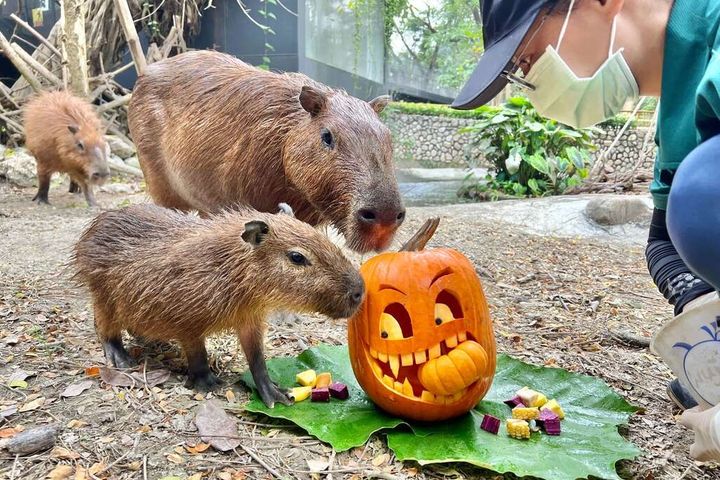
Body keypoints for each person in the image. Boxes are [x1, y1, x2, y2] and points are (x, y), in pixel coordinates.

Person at [452, 0, 720, 461]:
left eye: (528, 58)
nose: (531, 84)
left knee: (701, 193)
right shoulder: (677, 108)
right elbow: (664, 240)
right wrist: (701, 311)